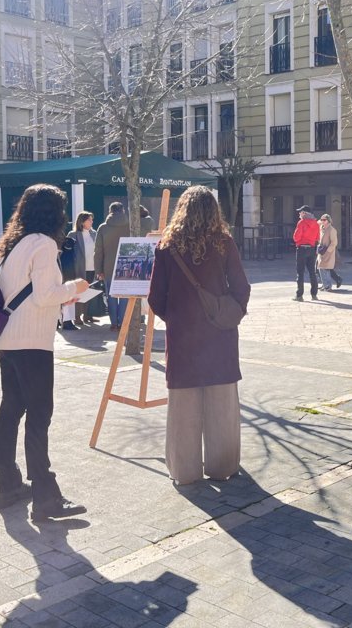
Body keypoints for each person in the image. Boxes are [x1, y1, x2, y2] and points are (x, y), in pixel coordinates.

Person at [0, 184, 90, 521]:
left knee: (11, 410)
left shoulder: (12, 244)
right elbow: (46, 295)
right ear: (54, 214)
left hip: (6, 340)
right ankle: (46, 497)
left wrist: (63, 294)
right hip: (32, 341)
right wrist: (75, 288)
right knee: (39, 415)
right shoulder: (45, 244)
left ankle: (8, 486)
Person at [148, 186, 251, 485]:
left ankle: (185, 471)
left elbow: (156, 297)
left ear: (182, 210)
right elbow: (241, 288)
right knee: (222, 404)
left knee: (183, 407)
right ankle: (222, 467)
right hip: (219, 335)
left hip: (183, 339)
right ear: (212, 211)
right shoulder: (224, 242)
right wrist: (226, 312)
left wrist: (178, 318)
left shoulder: (167, 247)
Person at [94, 202, 130, 332]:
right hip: (127, 265)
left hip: (108, 266)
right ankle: (123, 323)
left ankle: (114, 323)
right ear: (123, 211)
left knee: (111, 296)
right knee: (125, 296)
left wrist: (98, 270)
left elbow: (98, 250)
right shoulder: (130, 226)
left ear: (110, 211)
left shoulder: (103, 227)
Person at [66, 211, 99, 325]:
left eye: (91, 220)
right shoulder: (73, 234)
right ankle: (77, 316)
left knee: (90, 291)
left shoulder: (94, 233)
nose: (91, 222)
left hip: (92, 267)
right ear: (82, 222)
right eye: (89, 220)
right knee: (79, 293)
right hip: (79, 268)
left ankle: (88, 315)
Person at [292, 205, 319, 301]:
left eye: (301, 212)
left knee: (300, 272)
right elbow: (317, 238)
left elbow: (296, 237)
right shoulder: (316, 223)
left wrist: (299, 240)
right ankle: (314, 294)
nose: (299, 213)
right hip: (311, 249)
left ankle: (299, 295)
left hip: (302, 248)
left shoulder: (301, 222)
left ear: (304, 213)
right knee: (312, 272)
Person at [317, 214, 339, 291]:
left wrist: (328, 251)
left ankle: (328, 286)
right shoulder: (321, 228)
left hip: (328, 252)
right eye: (321, 219)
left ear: (328, 220)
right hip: (321, 251)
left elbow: (334, 242)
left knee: (326, 269)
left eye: (324, 220)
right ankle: (324, 284)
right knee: (320, 268)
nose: (322, 221)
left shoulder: (332, 230)